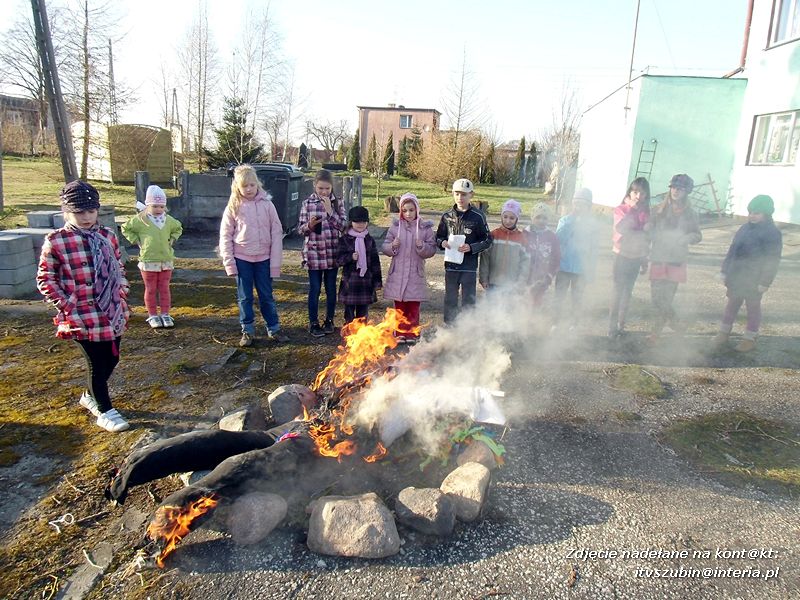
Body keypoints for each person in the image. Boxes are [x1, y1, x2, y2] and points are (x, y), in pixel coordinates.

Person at [36, 180, 131, 432]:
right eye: (79, 212)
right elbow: (45, 277)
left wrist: (121, 291)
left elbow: (118, 266)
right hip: (79, 313)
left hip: (110, 309)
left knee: (112, 357)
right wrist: (66, 303)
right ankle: (104, 409)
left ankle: (89, 394)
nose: (87, 217)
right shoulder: (57, 241)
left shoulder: (108, 235)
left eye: (91, 211)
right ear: (67, 212)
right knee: (95, 363)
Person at [219, 165, 287, 348]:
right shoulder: (233, 207)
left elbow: (276, 233)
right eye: (244, 186)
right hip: (242, 260)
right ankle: (247, 330)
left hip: (264, 260)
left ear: (257, 184)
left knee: (266, 295)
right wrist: (230, 264)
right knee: (245, 297)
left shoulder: (268, 205)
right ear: (237, 188)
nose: (249, 189)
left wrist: (275, 264)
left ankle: (274, 328)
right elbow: (225, 236)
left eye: (252, 185)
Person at [713, 195, 782, 353]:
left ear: (766, 213)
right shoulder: (744, 228)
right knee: (731, 305)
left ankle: (750, 338)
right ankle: (723, 333)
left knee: (753, 308)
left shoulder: (772, 233)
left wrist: (765, 281)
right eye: (750, 212)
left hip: (754, 279)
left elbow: (773, 259)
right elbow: (732, 250)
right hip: (736, 276)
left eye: (757, 213)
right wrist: (725, 271)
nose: (752, 216)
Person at [646, 174, 702, 343]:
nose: (676, 191)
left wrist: (687, 238)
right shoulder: (657, 210)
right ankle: (677, 323)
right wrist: (648, 230)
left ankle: (655, 334)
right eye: (673, 187)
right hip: (658, 258)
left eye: (680, 189)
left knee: (667, 298)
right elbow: (648, 232)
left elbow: (697, 235)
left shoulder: (691, 214)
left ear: (687, 192)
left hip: (676, 261)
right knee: (657, 299)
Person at [121, 185, 183, 329]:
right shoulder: (140, 219)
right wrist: (136, 241)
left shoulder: (168, 220)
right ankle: (153, 315)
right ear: (148, 205)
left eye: (161, 206)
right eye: (155, 206)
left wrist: (172, 239)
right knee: (150, 288)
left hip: (166, 260)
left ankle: (166, 314)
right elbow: (125, 228)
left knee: (164, 288)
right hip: (148, 260)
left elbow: (178, 228)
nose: (158, 210)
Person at [382, 192, 437, 343]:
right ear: (401, 211)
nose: (408, 213)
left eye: (411, 210)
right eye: (405, 210)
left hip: (415, 274)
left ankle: (412, 333)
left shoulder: (425, 229)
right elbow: (385, 247)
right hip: (398, 273)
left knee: (413, 305)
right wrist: (392, 246)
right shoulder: (395, 228)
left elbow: (431, 250)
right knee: (399, 305)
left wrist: (422, 247)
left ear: (417, 210)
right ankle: (400, 332)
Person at [435, 178, 492, 324]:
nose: (460, 198)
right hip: (451, 266)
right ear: (453, 194)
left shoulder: (478, 216)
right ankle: (450, 328)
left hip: (469, 267)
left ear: (471, 195)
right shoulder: (447, 216)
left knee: (468, 299)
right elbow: (438, 238)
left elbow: (487, 240)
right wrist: (443, 242)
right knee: (450, 299)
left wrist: (471, 247)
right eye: (457, 194)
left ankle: (468, 329)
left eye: (464, 194)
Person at [298, 169, 346, 337]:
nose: (324, 192)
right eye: (320, 189)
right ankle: (313, 322)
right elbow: (300, 229)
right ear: (314, 186)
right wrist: (309, 226)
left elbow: (343, 227)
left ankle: (329, 320)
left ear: (332, 187)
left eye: (327, 189)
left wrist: (330, 212)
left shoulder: (338, 203)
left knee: (331, 289)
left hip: (332, 254)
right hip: (314, 255)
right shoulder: (307, 204)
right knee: (315, 289)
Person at [609, 177, 651, 339]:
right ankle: (611, 327)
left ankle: (621, 325)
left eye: (642, 193)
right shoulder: (621, 209)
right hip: (621, 254)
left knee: (628, 292)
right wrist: (632, 210)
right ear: (629, 192)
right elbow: (621, 228)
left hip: (637, 256)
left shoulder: (646, 213)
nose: (638, 196)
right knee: (617, 291)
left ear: (647, 195)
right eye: (635, 192)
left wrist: (645, 258)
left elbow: (648, 236)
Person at [553, 188, 598, 329]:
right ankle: (555, 322)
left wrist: (591, 270)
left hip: (581, 268)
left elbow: (594, 250)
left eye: (583, 204)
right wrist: (570, 222)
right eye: (577, 203)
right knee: (559, 296)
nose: (579, 207)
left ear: (589, 206)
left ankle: (574, 324)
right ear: (573, 204)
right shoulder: (565, 220)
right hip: (564, 266)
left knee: (577, 298)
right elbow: (558, 239)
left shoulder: (592, 225)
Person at [336, 206, 382, 324]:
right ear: (351, 222)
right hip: (350, 282)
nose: (360, 224)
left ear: (367, 222)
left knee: (363, 313)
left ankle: (361, 334)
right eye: (357, 222)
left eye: (363, 222)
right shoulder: (345, 239)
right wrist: (350, 257)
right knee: (349, 312)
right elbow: (338, 260)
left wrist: (377, 282)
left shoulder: (369, 240)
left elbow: (375, 262)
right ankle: (350, 333)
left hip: (366, 282)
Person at [478, 199, 529, 291]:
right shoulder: (493, 235)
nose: (508, 221)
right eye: (505, 217)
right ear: (501, 216)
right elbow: (485, 258)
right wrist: (483, 278)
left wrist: (521, 282)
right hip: (493, 282)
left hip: (512, 284)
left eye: (512, 218)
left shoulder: (521, 238)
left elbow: (525, 262)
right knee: (492, 305)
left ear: (517, 219)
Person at [526, 202, 561, 307]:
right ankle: (522, 321)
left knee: (538, 301)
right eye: (538, 217)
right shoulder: (525, 234)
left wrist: (550, 275)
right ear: (532, 217)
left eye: (545, 218)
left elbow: (556, 257)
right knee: (525, 300)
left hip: (543, 277)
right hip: (526, 276)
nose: (541, 221)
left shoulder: (552, 237)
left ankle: (535, 321)